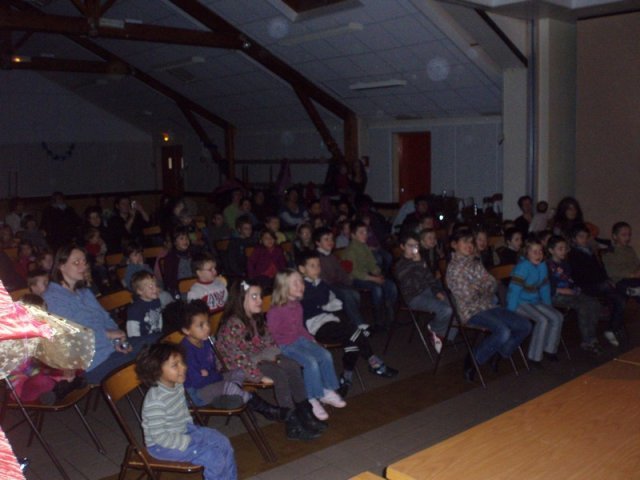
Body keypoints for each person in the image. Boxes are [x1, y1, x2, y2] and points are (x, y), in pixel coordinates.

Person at [216, 280, 323, 440]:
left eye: (260, 296)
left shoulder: (256, 318)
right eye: (254, 297)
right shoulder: (233, 325)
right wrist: (257, 376)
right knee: (279, 374)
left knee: (292, 365)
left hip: (258, 357)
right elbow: (236, 358)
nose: (260, 300)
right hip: (237, 367)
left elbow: (270, 342)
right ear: (241, 299)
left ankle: (304, 411)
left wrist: (278, 356)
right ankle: (291, 422)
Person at [43, 245, 152, 383]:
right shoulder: (52, 298)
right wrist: (107, 335)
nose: (83, 266)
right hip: (92, 363)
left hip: (111, 349)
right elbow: (73, 336)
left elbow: (105, 318)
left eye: (84, 261)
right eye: (76, 262)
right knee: (153, 358)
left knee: (159, 343)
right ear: (61, 266)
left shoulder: (84, 292)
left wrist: (118, 340)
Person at [165, 299, 286, 420]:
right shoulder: (186, 352)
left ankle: (229, 397)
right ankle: (268, 410)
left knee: (239, 371)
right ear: (186, 330)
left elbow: (212, 370)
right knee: (229, 386)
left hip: (210, 381)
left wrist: (212, 375)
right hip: (196, 394)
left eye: (207, 322)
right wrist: (216, 376)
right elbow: (198, 382)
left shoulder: (206, 341)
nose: (207, 328)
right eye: (200, 325)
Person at [297, 251, 397, 396]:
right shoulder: (300, 287)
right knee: (354, 332)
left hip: (331, 320)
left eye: (318, 265)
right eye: (312, 266)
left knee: (353, 339)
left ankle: (347, 377)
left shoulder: (321, 283)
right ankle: (374, 363)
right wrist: (325, 302)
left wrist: (327, 301)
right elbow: (316, 301)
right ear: (302, 269)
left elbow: (328, 299)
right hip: (315, 326)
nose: (317, 268)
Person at [135, 343, 238, 480]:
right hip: (162, 445)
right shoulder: (156, 401)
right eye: (175, 365)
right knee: (213, 457)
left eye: (182, 362)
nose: (183, 367)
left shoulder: (177, 384)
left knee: (223, 442)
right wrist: (188, 441)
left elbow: (183, 411)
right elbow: (159, 437)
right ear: (156, 371)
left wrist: (192, 430)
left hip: (184, 430)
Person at [446, 230, 531, 381]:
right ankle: (474, 360)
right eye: (465, 242)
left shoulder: (475, 263)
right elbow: (467, 296)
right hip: (471, 311)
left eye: (471, 242)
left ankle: (498, 352)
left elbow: (492, 284)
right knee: (503, 332)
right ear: (454, 245)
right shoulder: (454, 268)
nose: (469, 245)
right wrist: (482, 287)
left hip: (488, 306)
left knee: (525, 325)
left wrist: (479, 287)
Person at [266, 270, 346, 422]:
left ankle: (327, 390)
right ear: (283, 287)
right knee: (311, 362)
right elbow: (271, 334)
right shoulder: (275, 311)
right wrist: (278, 351)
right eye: (295, 283)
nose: (300, 285)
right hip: (286, 345)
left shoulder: (297, 305)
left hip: (300, 340)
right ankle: (312, 397)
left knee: (325, 355)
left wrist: (311, 338)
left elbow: (301, 327)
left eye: (301, 282)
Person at [506, 238, 564, 365]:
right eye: (534, 252)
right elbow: (514, 291)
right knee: (542, 320)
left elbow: (544, 287)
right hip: (520, 302)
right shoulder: (522, 267)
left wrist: (548, 305)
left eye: (540, 251)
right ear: (527, 254)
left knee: (557, 316)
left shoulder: (542, 266)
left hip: (534, 300)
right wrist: (510, 312)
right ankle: (534, 357)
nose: (538, 255)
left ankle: (549, 349)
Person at [395, 232, 453, 352]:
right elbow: (412, 285)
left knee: (453, 304)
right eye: (410, 246)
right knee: (446, 310)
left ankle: (446, 336)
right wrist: (419, 264)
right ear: (402, 247)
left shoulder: (420, 260)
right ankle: (436, 330)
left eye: (416, 246)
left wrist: (436, 291)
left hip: (427, 291)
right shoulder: (400, 265)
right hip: (414, 297)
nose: (414, 250)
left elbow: (430, 279)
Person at [568, 223, 625, 346]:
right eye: (580, 237)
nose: (584, 239)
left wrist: (607, 279)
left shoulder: (590, 251)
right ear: (574, 239)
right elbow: (580, 275)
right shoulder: (573, 255)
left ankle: (612, 328)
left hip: (598, 283)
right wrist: (603, 281)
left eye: (585, 236)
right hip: (586, 286)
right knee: (613, 290)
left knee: (620, 299)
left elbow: (600, 269)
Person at [546, 235, 603, 355]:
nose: (563, 251)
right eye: (559, 249)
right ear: (551, 250)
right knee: (583, 307)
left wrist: (574, 289)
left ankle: (592, 337)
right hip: (555, 295)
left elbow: (570, 281)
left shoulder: (565, 264)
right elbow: (545, 286)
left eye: (565, 248)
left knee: (594, 303)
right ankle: (587, 341)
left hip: (569, 292)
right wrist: (561, 290)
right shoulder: (546, 266)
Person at [342, 221, 398, 330]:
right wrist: (374, 278)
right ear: (353, 235)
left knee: (391, 285)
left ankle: (390, 315)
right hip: (355, 279)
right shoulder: (350, 250)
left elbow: (372, 264)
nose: (365, 235)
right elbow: (354, 272)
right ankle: (378, 320)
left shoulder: (364, 247)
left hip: (367, 276)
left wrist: (378, 273)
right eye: (361, 232)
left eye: (366, 232)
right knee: (377, 288)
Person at [314, 227, 368, 329]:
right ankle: (359, 323)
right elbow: (323, 278)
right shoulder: (317, 257)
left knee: (355, 294)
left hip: (336, 283)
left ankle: (352, 321)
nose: (330, 242)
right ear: (318, 243)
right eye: (326, 239)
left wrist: (348, 282)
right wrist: (339, 280)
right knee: (347, 294)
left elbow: (341, 272)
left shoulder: (331, 256)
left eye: (331, 239)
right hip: (326, 286)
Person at [602, 221, 640, 298]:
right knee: (623, 285)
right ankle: (634, 291)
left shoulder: (630, 249)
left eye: (629, 235)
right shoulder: (609, 252)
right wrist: (632, 274)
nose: (627, 238)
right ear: (615, 236)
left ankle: (636, 291)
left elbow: (636, 263)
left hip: (635, 278)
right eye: (624, 235)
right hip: (622, 280)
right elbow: (612, 271)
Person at [126, 271, 165, 339]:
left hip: (156, 336)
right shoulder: (135, 309)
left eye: (155, 285)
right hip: (143, 341)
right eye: (150, 287)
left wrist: (160, 333)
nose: (155, 289)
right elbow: (132, 332)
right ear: (139, 291)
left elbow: (159, 318)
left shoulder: (156, 301)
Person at [162, 227, 194, 298]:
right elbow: (169, 280)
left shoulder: (192, 254)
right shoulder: (170, 258)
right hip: (179, 290)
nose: (185, 241)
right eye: (181, 238)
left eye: (187, 238)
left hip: (194, 286)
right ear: (175, 242)